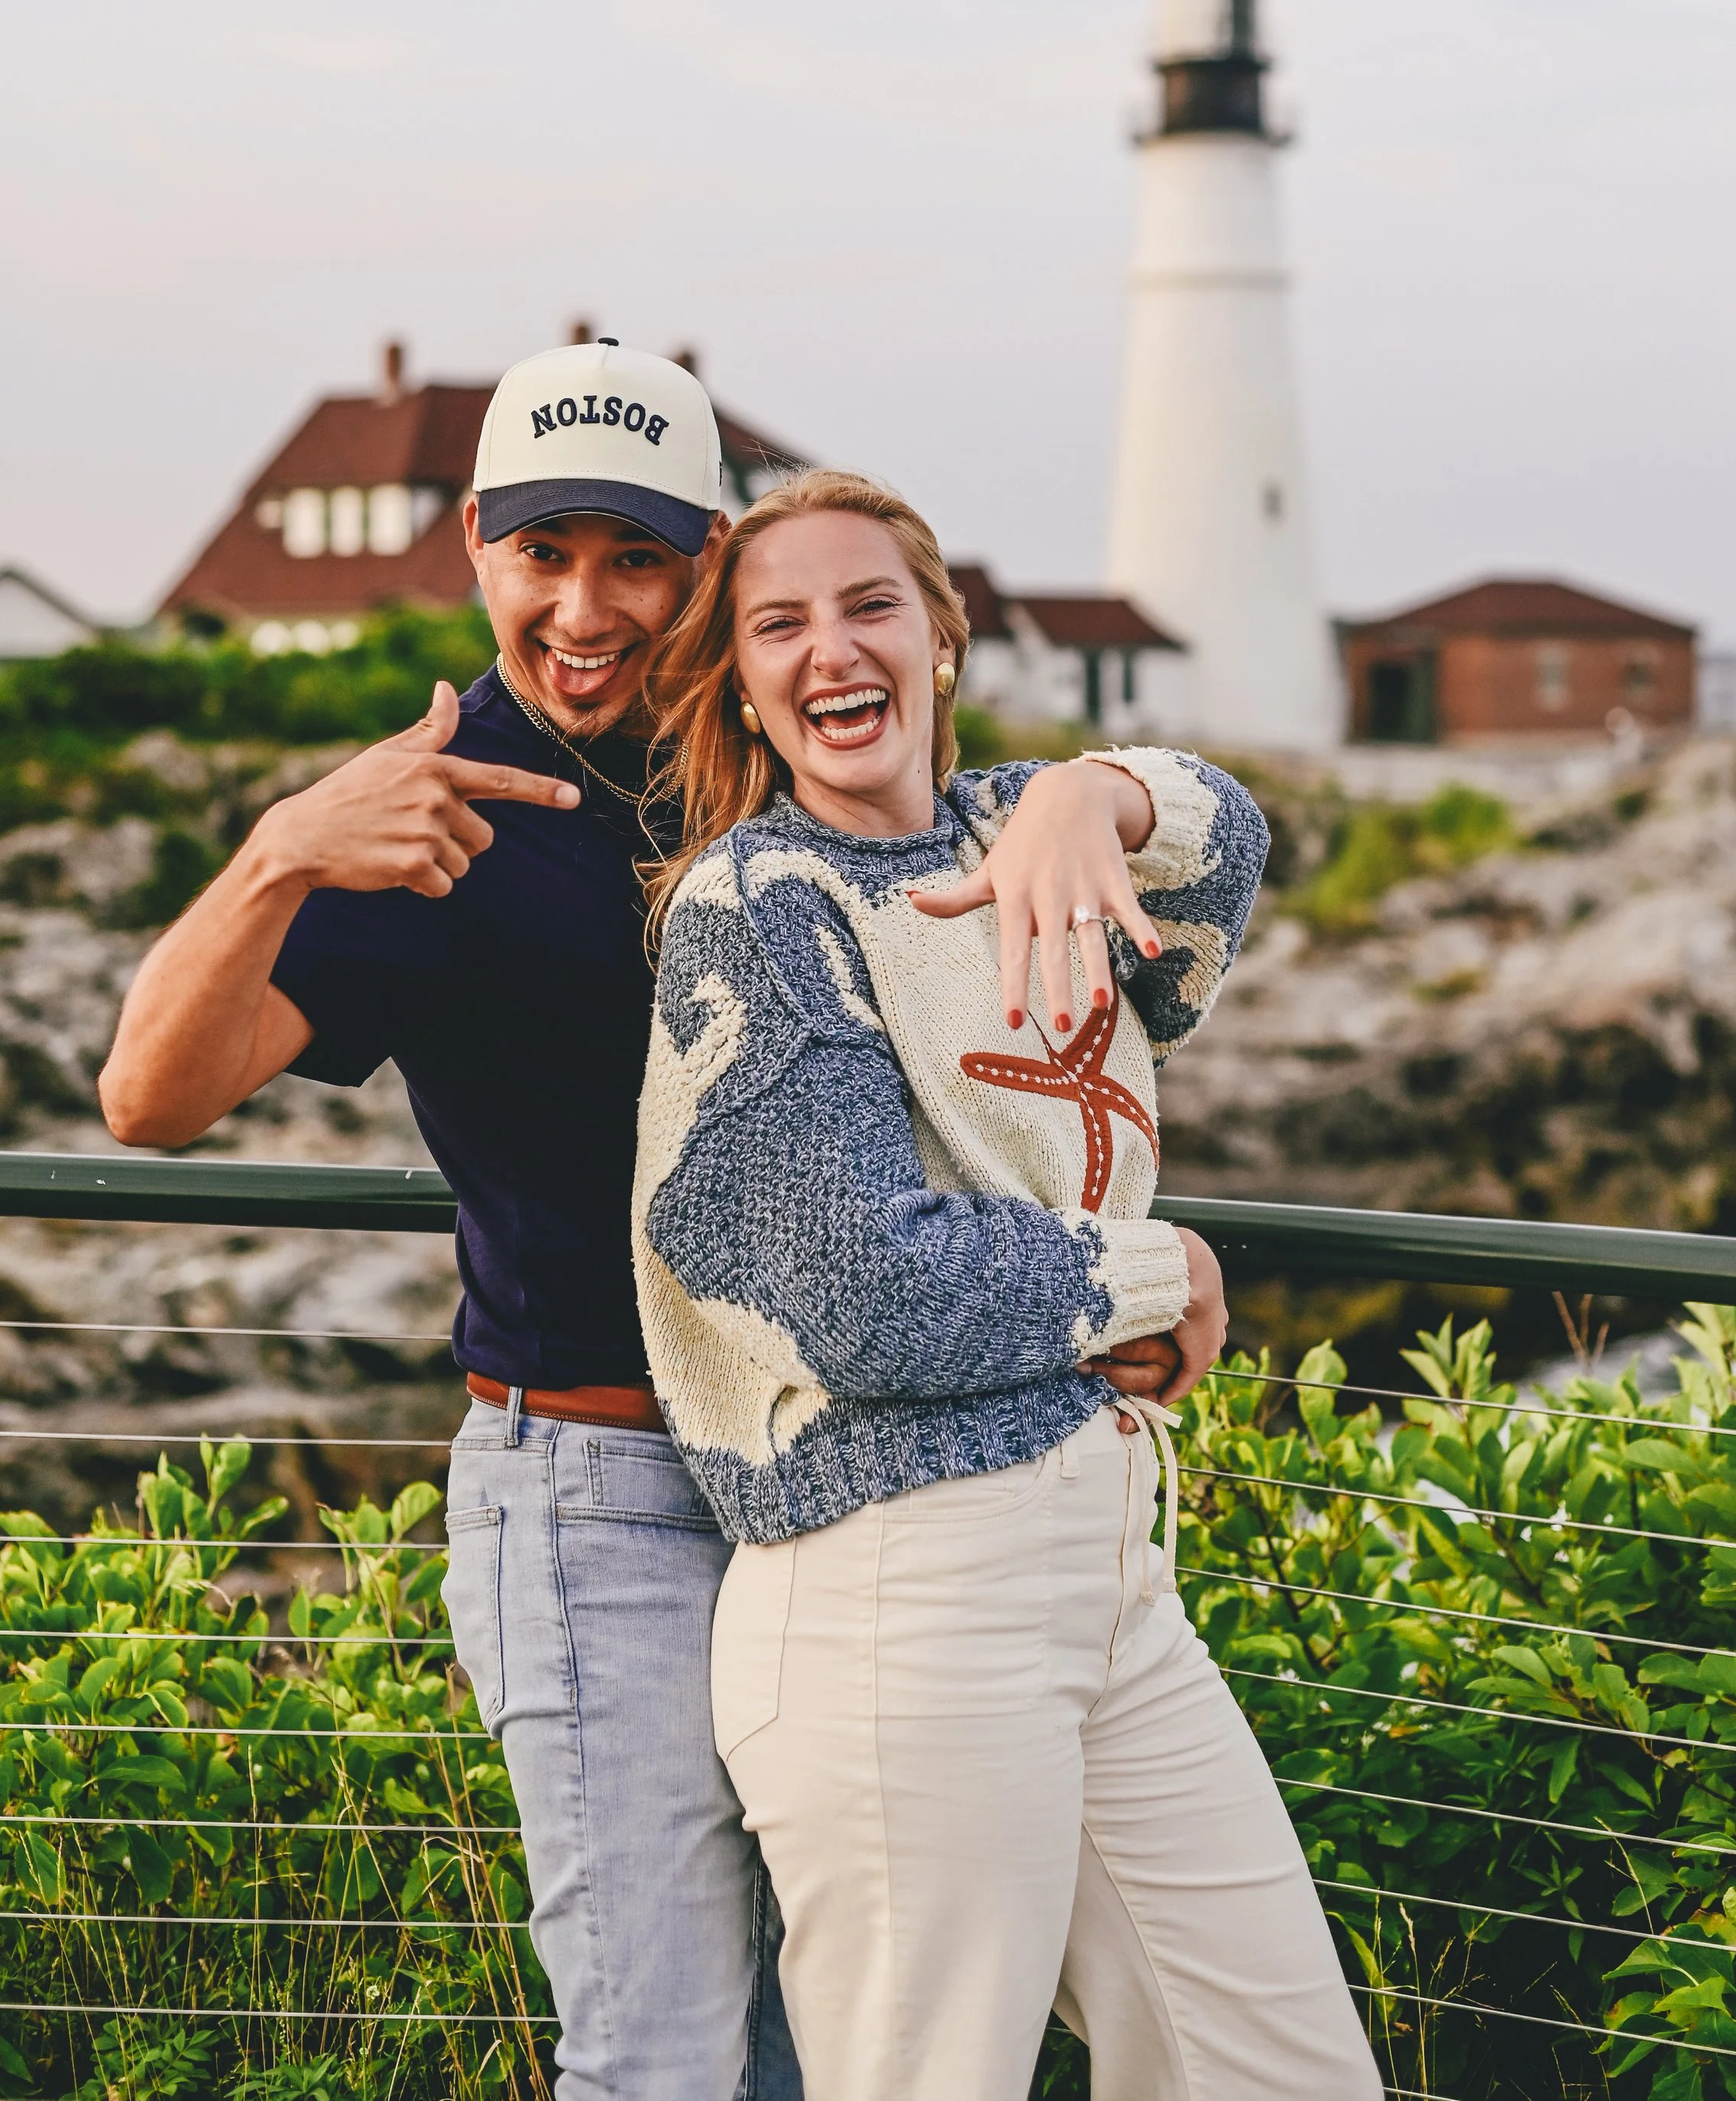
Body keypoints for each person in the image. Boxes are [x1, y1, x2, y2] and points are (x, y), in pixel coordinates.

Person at [99, 346, 1182, 2101]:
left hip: (851, 1489)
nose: (583, 608)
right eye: (543, 554)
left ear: (709, 560)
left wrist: (1081, 790)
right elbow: (145, 1100)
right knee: (664, 2060)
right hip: (606, 1508)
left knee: (837, 2039)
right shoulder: (432, 816)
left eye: (637, 559)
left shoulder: (760, 767)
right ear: (473, 545)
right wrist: (280, 850)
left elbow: (1019, 898)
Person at [633, 468, 1382, 2101]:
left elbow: (1226, 845)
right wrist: (1149, 1268)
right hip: (901, 1593)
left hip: (1108, 1581)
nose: (830, 651)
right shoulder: (759, 908)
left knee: (1277, 2069)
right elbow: (863, 1292)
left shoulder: (1012, 835)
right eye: (779, 626)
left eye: (869, 606)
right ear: (744, 685)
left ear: (945, 638)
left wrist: (1094, 794)